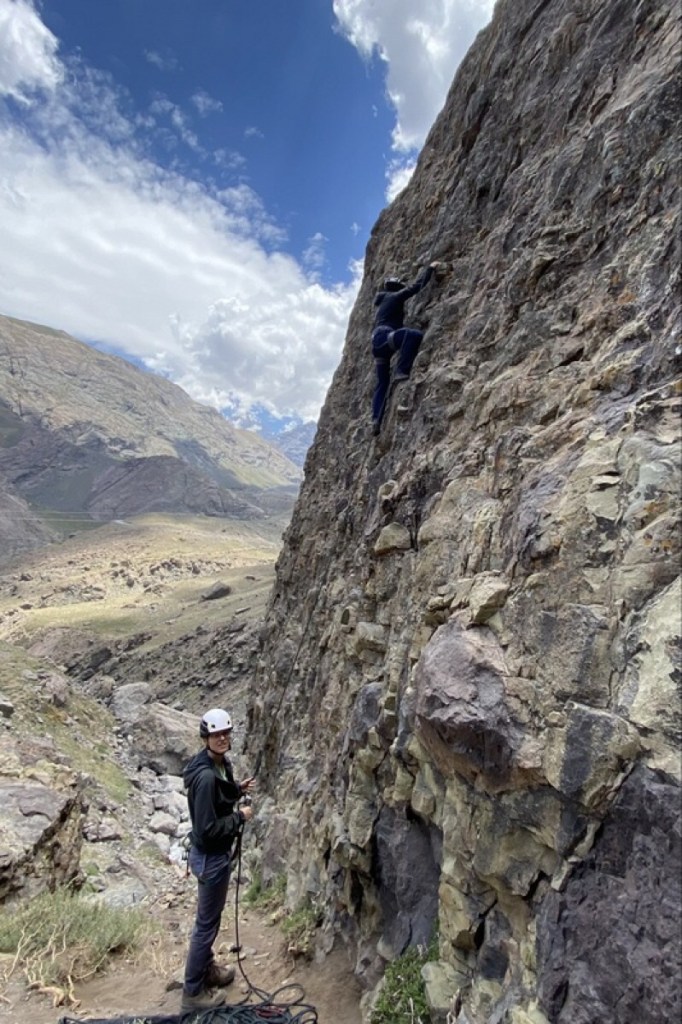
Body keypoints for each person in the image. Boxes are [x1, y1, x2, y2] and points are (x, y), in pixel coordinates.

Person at [181, 707, 256, 1013]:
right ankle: (192, 993)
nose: (222, 738)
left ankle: (206, 969)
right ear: (206, 738)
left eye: (226, 733)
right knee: (206, 924)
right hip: (211, 858)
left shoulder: (219, 764)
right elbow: (207, 829)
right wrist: (240, 817)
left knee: (209, 920)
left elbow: (219, 797)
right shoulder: (205, 778)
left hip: (213, 856)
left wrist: (237, 790)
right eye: (216, 734)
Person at [371, 262, 441, 433]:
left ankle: (376, 419)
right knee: (413, 335)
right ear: (396, 287)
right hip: (386, 337)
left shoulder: (382, 304)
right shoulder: (393, 297)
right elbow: (414, 288)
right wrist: (430, 268)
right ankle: (401, 371)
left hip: (377, 344)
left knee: (382, 383)